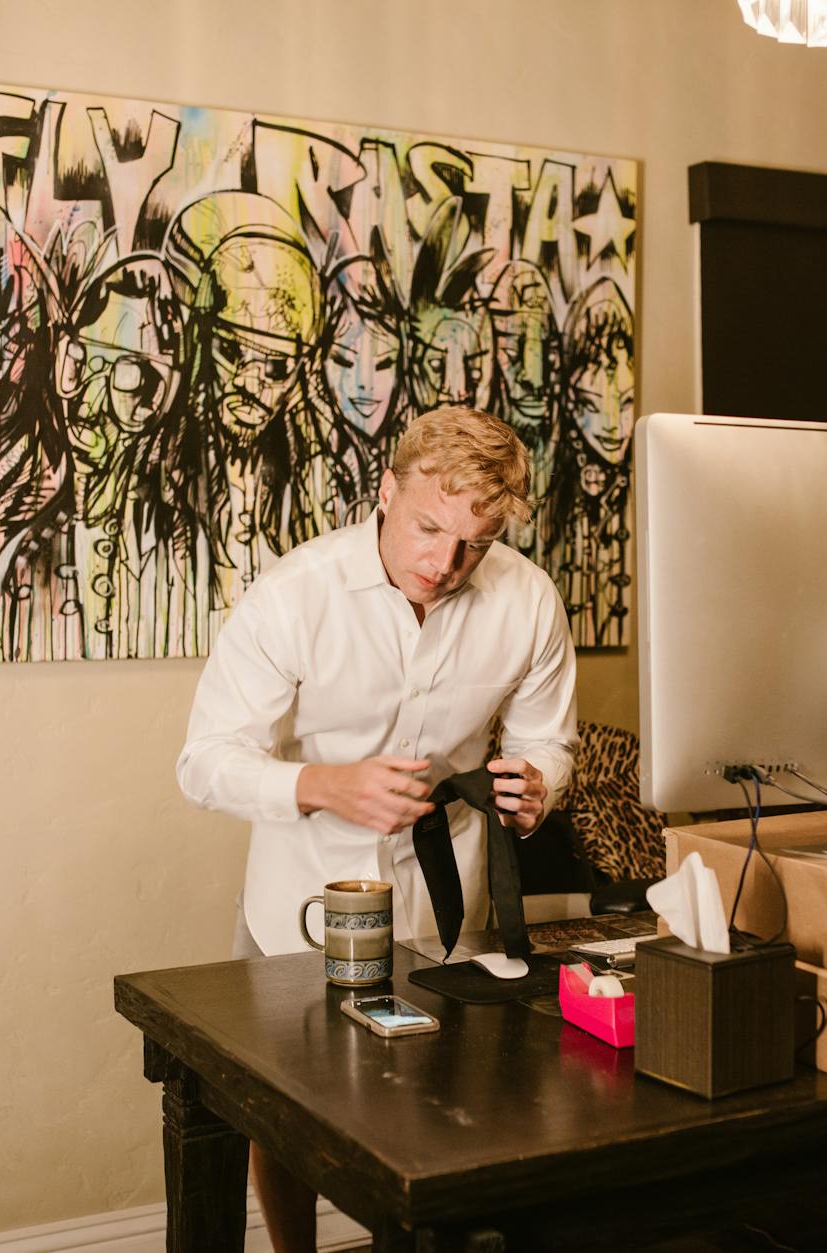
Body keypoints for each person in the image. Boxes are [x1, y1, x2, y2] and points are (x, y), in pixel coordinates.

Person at [175, 405, 579, 1253]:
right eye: (428, 527)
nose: (445, 562)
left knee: (446, 1113)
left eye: (474, 542)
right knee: (281, 1115)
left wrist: (543, 779)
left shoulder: (528, 599)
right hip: (299, 904)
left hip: (449, 909)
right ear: (387, 491)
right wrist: (322, 784)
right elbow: (204, 762)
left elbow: (548, 737)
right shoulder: (295, 594)